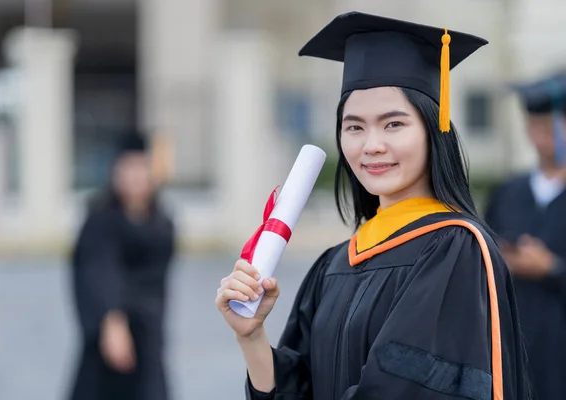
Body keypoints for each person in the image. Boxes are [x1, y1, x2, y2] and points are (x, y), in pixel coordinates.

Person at [214, 11, 531, 400]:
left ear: (434, 128)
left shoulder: (454, 250)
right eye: (354, 127)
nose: (372, 145)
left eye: (394, 124)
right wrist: (252, 337)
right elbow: (298, 390)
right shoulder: (333, 265)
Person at [67, 132, 177, 400]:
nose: (135, 176)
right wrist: (111, 320)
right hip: (111, 336)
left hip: (149, 334)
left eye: (142, 167)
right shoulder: (101, 219)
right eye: (127, 167)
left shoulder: (162, 222)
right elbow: (98, 270)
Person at [484, 72, 566, 399]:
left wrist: (552, 269)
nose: (543, 135)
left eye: (553, 125)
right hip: (512, 353)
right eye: (536, 126)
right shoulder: (507, 192)